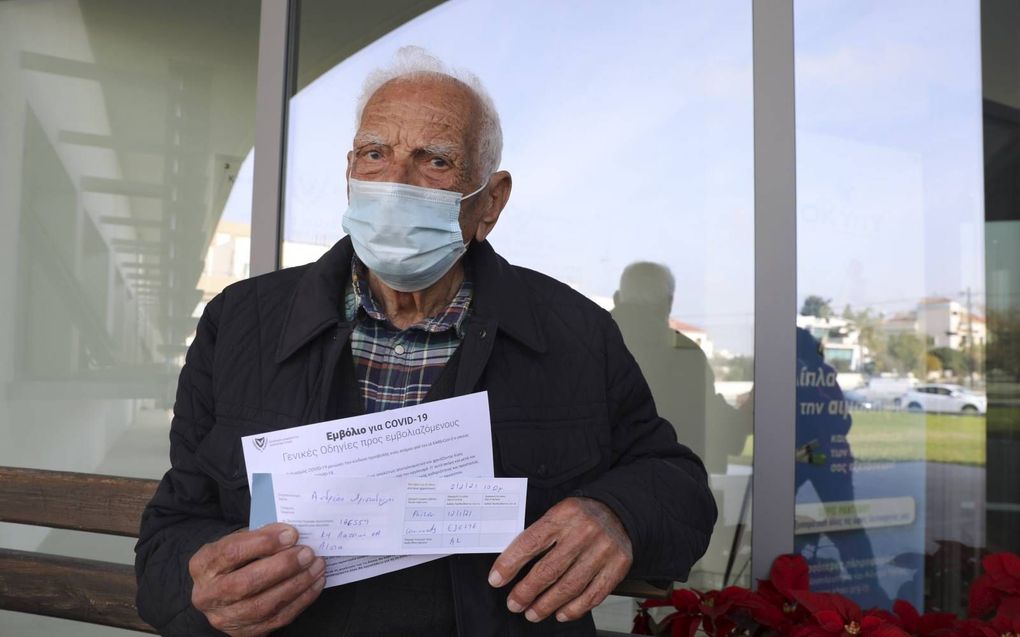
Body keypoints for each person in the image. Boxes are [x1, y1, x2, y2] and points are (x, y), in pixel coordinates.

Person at [135, 47, 716, 637]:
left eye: (436, 161)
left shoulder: (574, 333)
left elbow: (677, 485)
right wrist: (202, 585)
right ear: (350, 171)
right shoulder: (241, 322)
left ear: (490, 202)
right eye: (375, 153)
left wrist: (619, 515)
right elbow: (173, 530)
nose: (395, 184)